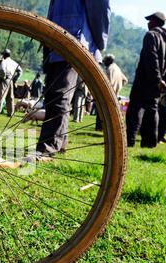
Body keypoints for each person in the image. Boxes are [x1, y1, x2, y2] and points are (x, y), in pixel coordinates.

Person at [37, 0, 111, 155]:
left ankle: (49, 147)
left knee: (59, 94)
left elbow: (100, 10)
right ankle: (59, 143)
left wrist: (99, 41)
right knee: (53, 96)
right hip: (55, 38)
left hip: (74, 38)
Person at [126, 12, 166, 149]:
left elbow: (151, 58)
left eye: (150, 20)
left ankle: (129, 141)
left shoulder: (151, 35)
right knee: (152, 111)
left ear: (155, 21)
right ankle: (149, 143)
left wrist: (157, 79)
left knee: (135, 110)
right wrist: (162, 81)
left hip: (145, 80)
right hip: (158, 83)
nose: (148, 23)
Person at [0, 49, 22, 117]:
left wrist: (2, 78)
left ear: (4, 55)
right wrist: (15, 79)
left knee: (1, 96)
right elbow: (20, 71)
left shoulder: (4, 61)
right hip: (11, 80)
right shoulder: (14, 62)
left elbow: (3, 70)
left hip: (5, 79)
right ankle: (10, 113)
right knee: (10, 97)